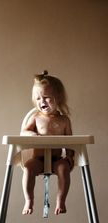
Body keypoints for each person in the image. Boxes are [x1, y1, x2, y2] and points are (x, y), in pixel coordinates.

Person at [20, 70, 74, 215]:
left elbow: (70, 141)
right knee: (28, 168)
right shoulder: (36, 117)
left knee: (64, 169)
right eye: (37, 98)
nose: (41, 101)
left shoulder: (64, 120)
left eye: (46, 97)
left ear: (58, 98)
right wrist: (32, 134)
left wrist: (70, 155)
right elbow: (23, 132)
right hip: (38, 159)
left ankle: (61, 200)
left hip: (57, 160)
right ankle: (29, 200)